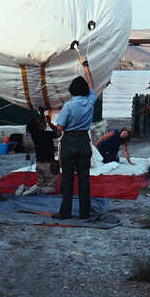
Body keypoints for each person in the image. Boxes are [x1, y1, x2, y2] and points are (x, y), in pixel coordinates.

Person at [54, 53, 97, 220]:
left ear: (72, 90)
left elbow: (60, 128)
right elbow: (92, 84)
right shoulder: (90, 100)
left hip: (69, 141)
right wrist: (85, 65)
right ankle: (85, 212)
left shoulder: (68, 106)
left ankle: (65, 212)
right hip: (84, 141)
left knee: (67, 178)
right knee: (84, 178)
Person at [20, 109, 59, 195]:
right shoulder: (46, 134)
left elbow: (39, 125)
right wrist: (50, 123)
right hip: (48, 164)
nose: (43, 123)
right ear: (40, 126)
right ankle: (38, 190)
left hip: (38, 164)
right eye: (42, 122)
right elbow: (58, 132)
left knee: (41, 183)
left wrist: (42, 114)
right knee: (52, 187)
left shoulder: (34, 134)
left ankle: (25, 188)